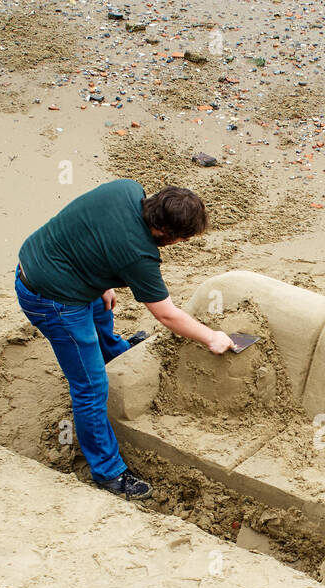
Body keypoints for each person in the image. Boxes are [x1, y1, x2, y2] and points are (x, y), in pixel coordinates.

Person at [14, 180, 234, 499]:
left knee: (102, 305)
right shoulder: (138, 255)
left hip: (42, 256)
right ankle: (108, 471)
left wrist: (101, 277)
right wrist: (211, 337)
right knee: (90, 388)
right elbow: (167, 315)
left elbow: (85, 225)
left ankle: (116, 352)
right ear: (164, 232)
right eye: (180, 239)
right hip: (50, 298)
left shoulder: (126, 190)